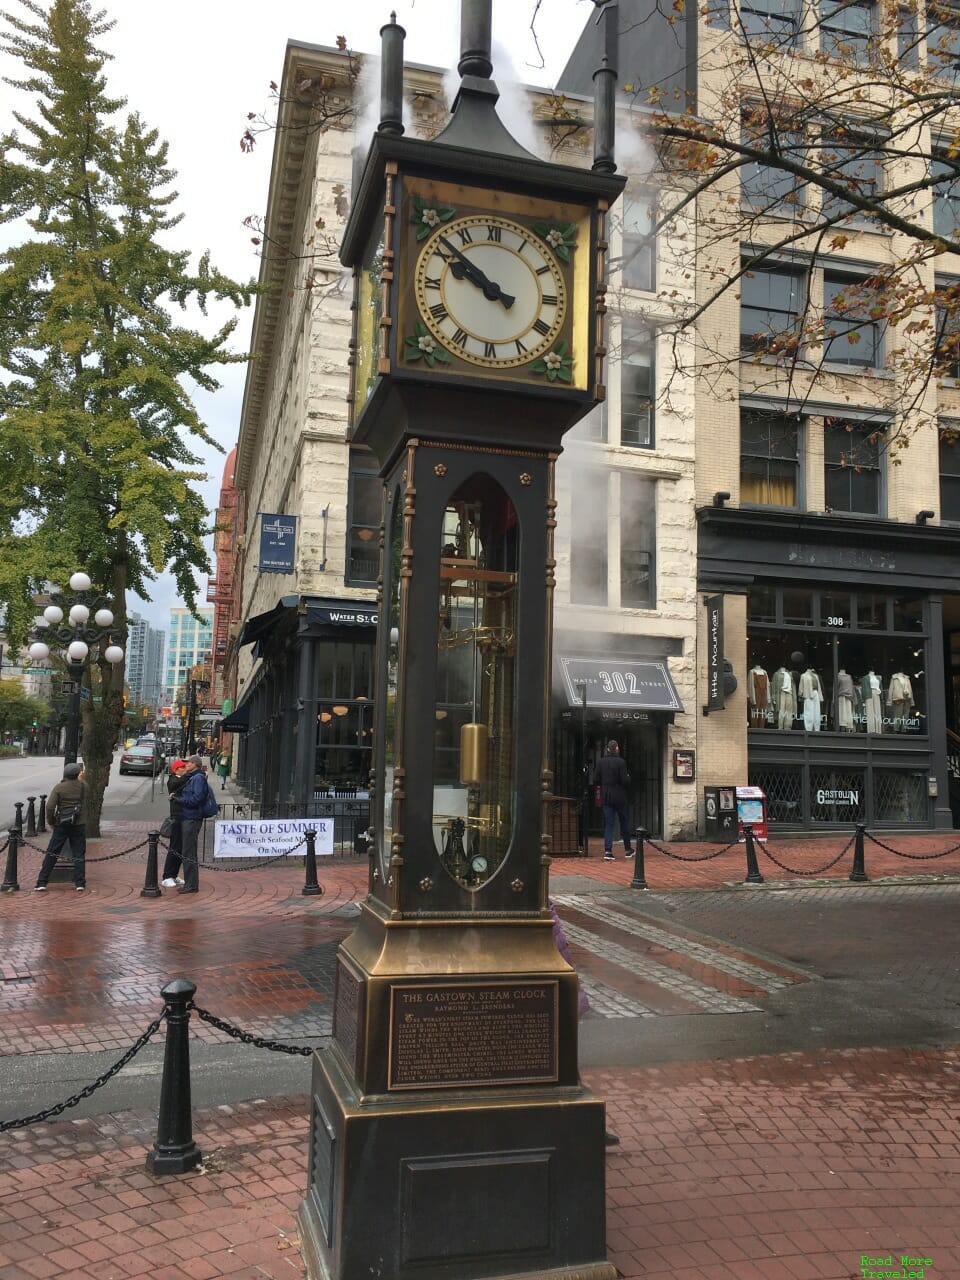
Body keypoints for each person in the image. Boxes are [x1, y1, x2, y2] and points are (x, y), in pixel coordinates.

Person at [34, 763, 87, 892]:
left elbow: (50, 806)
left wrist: (51, 821)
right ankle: (79, 882)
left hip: (62, 823)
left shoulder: (59, 788)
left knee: (52, 852)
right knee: (79, 853)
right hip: (79, 823)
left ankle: (42, 881)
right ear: (77, 774)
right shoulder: (84, 787)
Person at [176, 754, 216, 894]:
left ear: (195, 764)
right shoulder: (194, 777)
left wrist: (180, 800)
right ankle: (190, 883)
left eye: (189, 763)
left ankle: (191, 884)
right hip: (189, 817)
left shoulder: (198, 778)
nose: (186, 765)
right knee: (188, 851)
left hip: (192, 818)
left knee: (189, 852)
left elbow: (197, 798)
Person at [593, 739, 634, 861]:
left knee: (609, 824)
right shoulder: (621, 762)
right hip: (620, 796)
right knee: (624, 823)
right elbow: (624, 781)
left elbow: (595, 779)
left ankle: (608, 851)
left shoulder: (601, 762)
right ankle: (627, 849)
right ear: (617, 749)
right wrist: (628, 777)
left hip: (607, 795)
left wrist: (605, 783)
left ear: (607, 749)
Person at [160, 759, 189, 887]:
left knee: (180, 848)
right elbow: (178, 783)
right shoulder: (173, 780)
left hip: (183, 817)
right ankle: (167, 875)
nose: (185, 769)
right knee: (175, 847)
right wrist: (190, 775)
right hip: (176, 818)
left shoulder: (182, 779)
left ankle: (174, 874)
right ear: (176, 769)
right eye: (183, 767)